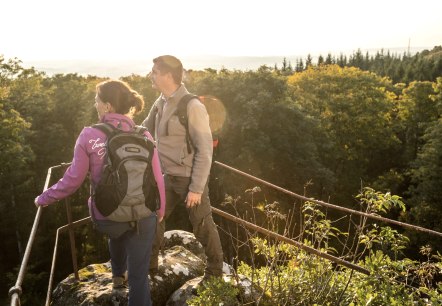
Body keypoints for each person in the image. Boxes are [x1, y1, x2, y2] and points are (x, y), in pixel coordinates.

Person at [35, 80, 165, 306]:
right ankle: (126, 278)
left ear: (108, 106)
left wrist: (44, 197)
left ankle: (117, 275)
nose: (95, 104)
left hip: (108, 218)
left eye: (97, 100)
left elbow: (72, 180)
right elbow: (157, 176)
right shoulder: (144, 134)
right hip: (145, 215)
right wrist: (160, 209)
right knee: (138, 278)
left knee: (117, 223)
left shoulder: (89, 135)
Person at [142, 55, 224, 285]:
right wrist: (115, 127)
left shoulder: (192, 106)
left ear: (168, 75)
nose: (151, 75)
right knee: (153, 217)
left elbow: (205, 150)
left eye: (155, 72)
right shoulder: (159, 103)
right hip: (165, 177)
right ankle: (149, 267)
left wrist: (197, 188)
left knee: (202, 224)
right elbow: (143, 131)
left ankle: (216, 272)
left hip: (189, 178)